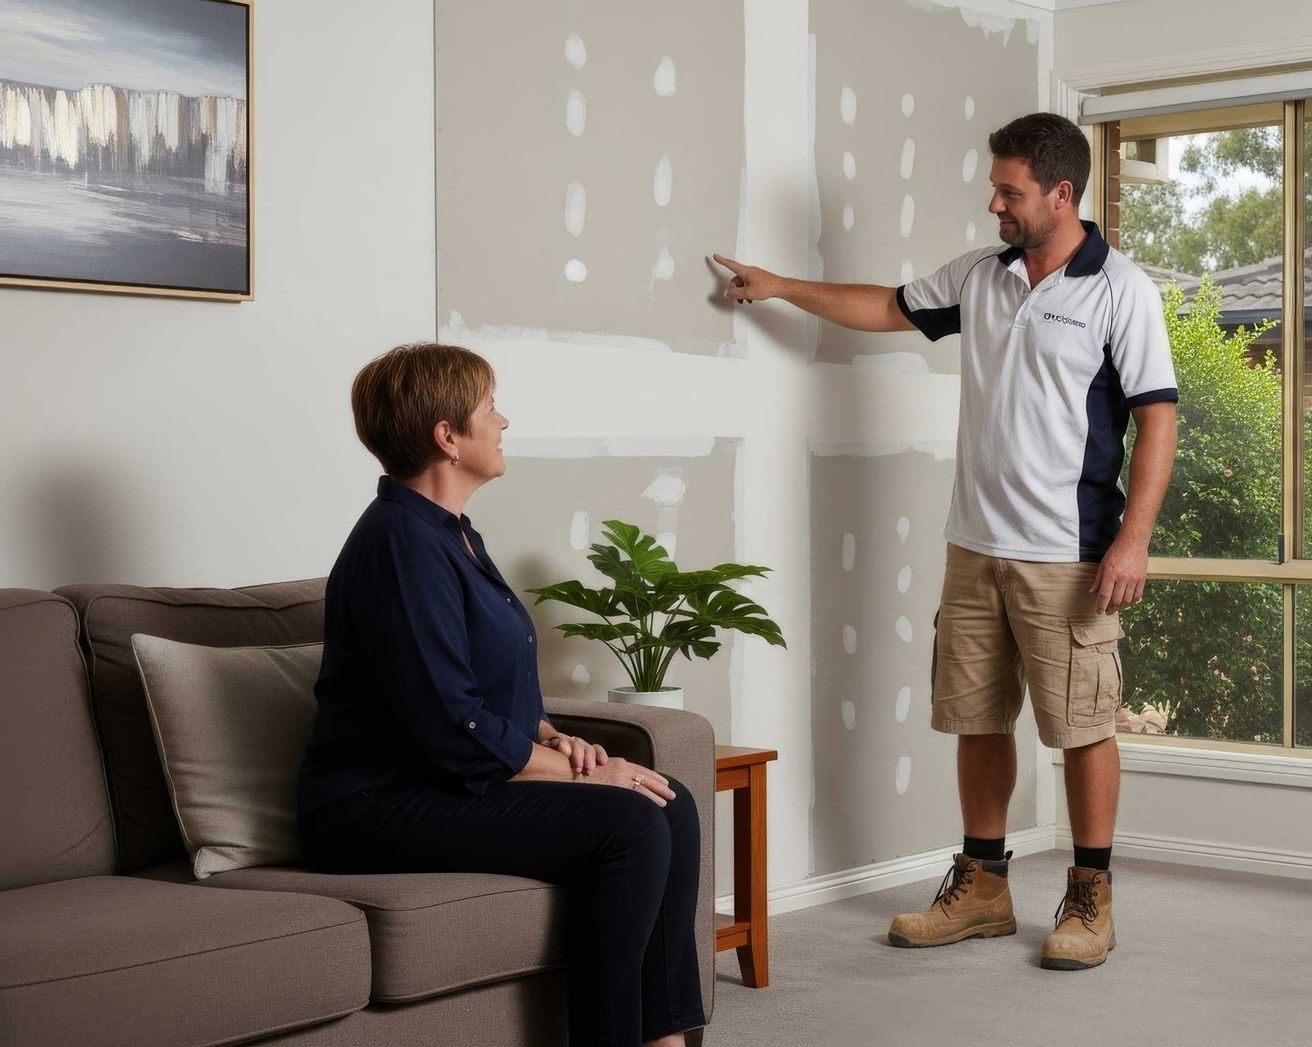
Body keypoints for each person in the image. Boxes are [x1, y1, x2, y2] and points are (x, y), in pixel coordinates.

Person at [712, 112, 1177, 972]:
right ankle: (984, 885)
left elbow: (1157, 419)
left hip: (1068, 551)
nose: (993, 202)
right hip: (974, 544)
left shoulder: (1121, 291)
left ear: (1060, 193)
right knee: (976, 717)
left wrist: (1133, 541)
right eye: (994, 187)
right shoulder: (982, 277)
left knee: (1082, 727)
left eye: (1010, 190)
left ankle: (1090, 892)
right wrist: (781, 285)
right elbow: (888, 306)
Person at [297, 343, 707, 1046]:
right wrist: (597, 772)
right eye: (490, 409)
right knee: (630, 821)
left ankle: (663, 1041)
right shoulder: (398, 544)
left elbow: (483, 681)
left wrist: (549, 735)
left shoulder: (453, 534)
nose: (504, 421)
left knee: (669, 801)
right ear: (447, 435)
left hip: (440, 782)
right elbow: (449, 723)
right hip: (372, 804)